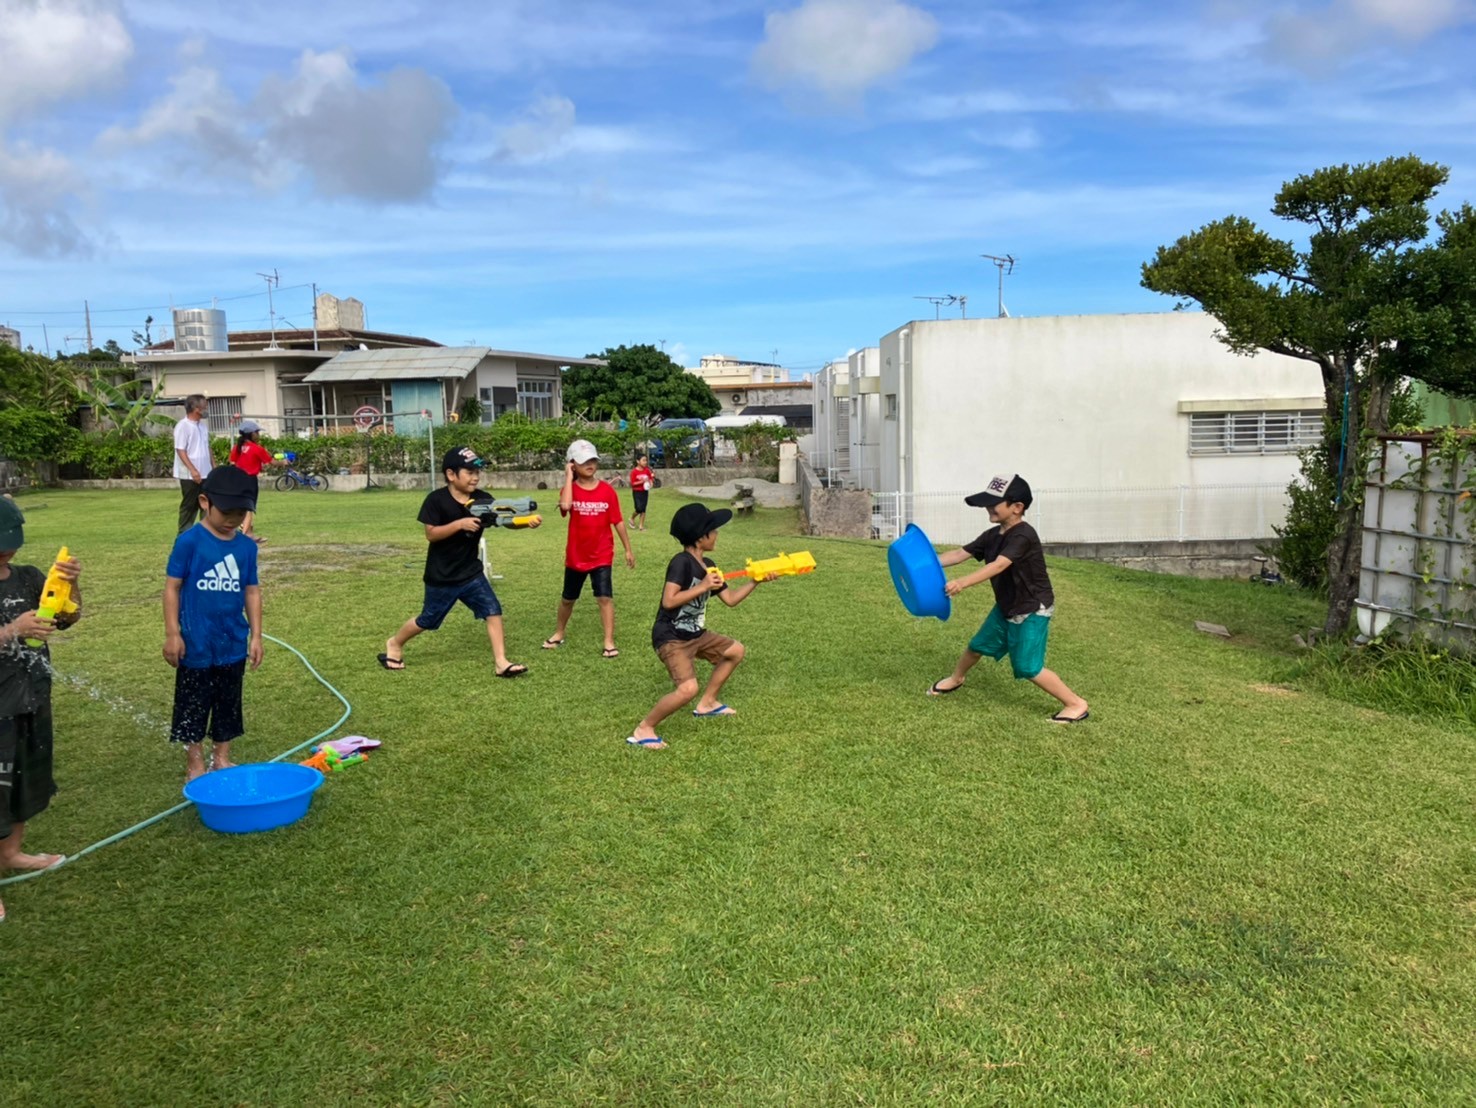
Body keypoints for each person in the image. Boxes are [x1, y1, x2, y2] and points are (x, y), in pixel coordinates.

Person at [927, 473, 1089, 722]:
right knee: (976, 646)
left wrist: (962, 582)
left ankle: (1076, 704)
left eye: (994, 503)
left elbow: (999, 565)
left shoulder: (1023, 535)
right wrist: (924, 565)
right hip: (1007, 606)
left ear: (1017, 507)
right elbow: (960, 553)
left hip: (1032, 608)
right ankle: (956, 678)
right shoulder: (993, 535)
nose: (988, 508)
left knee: (1027, 666)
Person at [379, 446, 536, 678]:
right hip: (442, 576)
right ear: (451, 474)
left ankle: (501, 663)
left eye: (477, 472)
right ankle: (394, 643)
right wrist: (459, 524)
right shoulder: (436, 500)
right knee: (428, 619)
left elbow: (503, 520)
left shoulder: (483, 499)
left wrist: (526, 521)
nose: (475, 477)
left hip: (471, 572)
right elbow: (431, 534)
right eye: (469, 471)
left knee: (493, 610)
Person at [0, 497, 82, 922]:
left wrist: (68, 585)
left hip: (32, 696)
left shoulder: (29, 578)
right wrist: (12, 630)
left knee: (24, 780)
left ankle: (12, 853)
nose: (6, 552)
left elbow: (68, 618)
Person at [626, 502, 765, 750]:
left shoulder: (707, 564)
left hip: (695, 634)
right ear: (701, 537)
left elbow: (730, 600)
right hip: (671, 637)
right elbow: (669, 601)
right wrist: (702, 586)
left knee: (735, 651)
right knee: (688, 688)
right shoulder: (681, 562)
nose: (717, 534)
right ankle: (643, 729)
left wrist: (756, 581)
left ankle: (708, 703)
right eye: (714, 530)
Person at [163, 465, 263, 781]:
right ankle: (194, 763)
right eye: (227, 512)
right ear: (205, 502)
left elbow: (252, 590)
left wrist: (256, 636)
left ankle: (221, 758)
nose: (233, 519)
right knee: (194, 704)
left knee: (227, 702)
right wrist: (173, 633)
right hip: (196, 641)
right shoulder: (189, 542)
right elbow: (172, 587)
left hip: (232, 641)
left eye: (241, 513)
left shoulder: (246, 547)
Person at [542, 439, 634, 657]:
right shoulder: (569, 490)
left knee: (604, 598)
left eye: (593, 459)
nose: (590, 464)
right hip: (576, 556)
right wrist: (567, 476)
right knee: (568, 599)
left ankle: (609, 641)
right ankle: (559, 632)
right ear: (573, 464)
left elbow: (618, 521)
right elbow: (565, 507)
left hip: (602, 555)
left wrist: (628, 549)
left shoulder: (607, 491)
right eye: (584, 461)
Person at [227, 419, 277, 543]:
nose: (258, 435)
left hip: (238, 479)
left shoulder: (237, 448)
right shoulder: (256, 448)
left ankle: (249, 533)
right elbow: (272, 462)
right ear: (251, 434)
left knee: (241, 506)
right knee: (249, 508)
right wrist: (284, 462)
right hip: (249, 480)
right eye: (257, 432)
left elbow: (233, 462)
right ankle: (244, 536)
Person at [173, 394, 214, 534]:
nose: (206, 410)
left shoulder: (202, 426)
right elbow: (180, 450)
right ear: (196, 408)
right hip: (189, 475)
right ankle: (184, 536)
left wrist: (213, 467)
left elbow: (207, 447)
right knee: (189, 506)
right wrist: (193, 470)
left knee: (207, 504)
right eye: (204, 407)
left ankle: (206, 534)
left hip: (206, 472)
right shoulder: (183, 426)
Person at [628, 454, 655, 532]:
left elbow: (650, 478)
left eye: (646, 460)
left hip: (645, 492)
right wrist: (642, 481)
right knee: (639, 508)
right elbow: (632, 483)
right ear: (638, 461)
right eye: (643, 460)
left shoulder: (647, 470)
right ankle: (632, 518)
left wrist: (651, 483)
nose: (645, 462)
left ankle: (641, 526)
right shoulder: (634, 472)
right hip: (637, 492)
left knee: (643, 509)